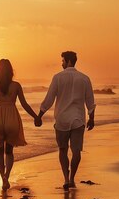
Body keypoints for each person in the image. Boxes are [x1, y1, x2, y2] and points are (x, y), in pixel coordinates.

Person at [37, 51, 96, 190]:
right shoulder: (85, 78)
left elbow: (49, 99)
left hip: (62, 120)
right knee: (76, 152)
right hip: (78, 120)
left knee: (62, 150)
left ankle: (65, 178)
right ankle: (71, 178)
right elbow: (90, 101)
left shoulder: (57, 78)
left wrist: (39, 115)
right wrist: (92, 118)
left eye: (63, 61)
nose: (62, 63)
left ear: (69, 61)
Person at [0, 59, 40, 191]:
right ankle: (7, 176)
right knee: (9, 152)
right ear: (11, 71)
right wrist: (36, 116)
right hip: (12, 118)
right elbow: (24, 104)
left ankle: (3, 179)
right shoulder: (16, 86)